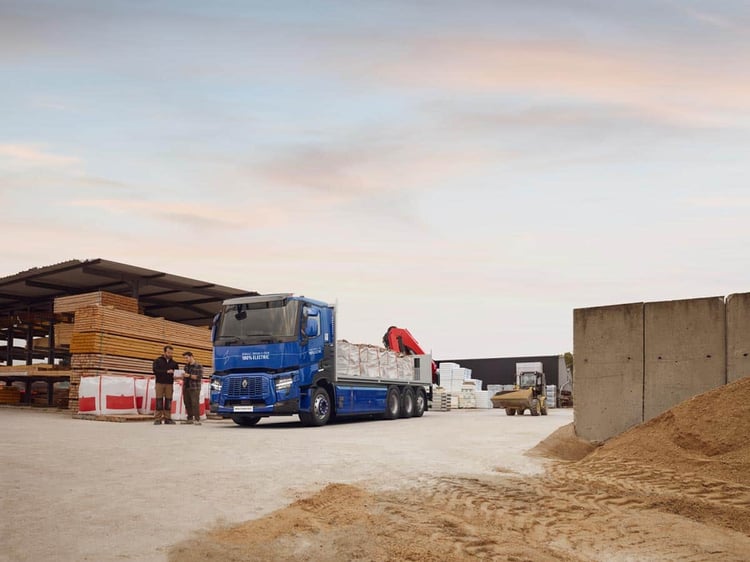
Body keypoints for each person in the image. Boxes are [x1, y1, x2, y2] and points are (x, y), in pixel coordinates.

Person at [153, 345, 179, 425]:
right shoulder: (158, 361)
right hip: (159, 383)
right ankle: (158, 418)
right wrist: (166, 372)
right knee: (159, 400)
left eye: (171, 353)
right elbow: (155, 371)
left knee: (168, 401)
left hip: (169, 384)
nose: (170, 354)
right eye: (168, 352)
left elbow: (177, 372)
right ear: (164, 352)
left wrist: (175, 374)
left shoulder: (174, 363)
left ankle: (168, 418)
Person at [181, 351, 204, 425]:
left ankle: (197, 419)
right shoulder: (186, 366)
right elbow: (185, 376)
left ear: (191, 356)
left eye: (187, 358)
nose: (186, 359)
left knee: (195, 403)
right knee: (187, 403)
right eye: (185, 358)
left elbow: (199, 377)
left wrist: (189, 375)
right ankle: (190, 418)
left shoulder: (198, 366)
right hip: (186, 387)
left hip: (195, 387)